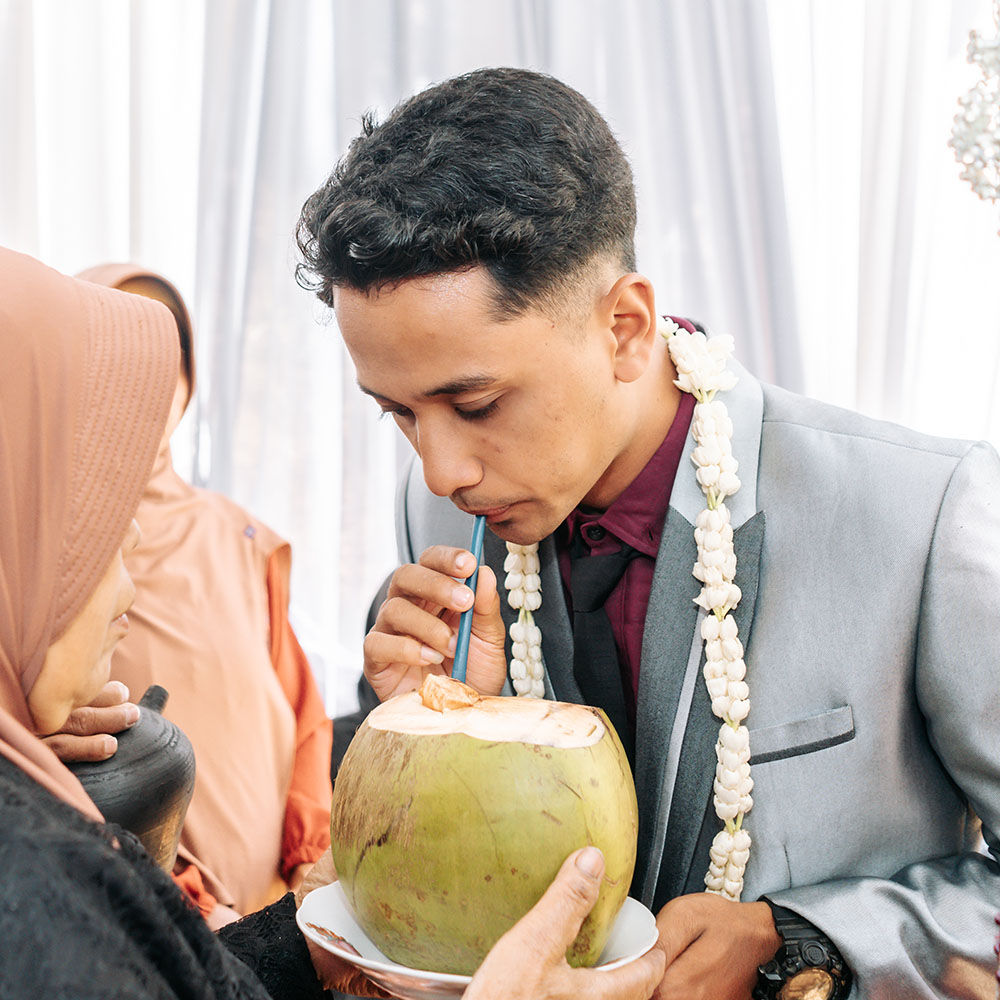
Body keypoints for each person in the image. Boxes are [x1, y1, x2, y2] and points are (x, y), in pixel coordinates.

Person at [295, 67, 1000, 999]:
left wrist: (809, 940)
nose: (441, 470)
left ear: (626, 327)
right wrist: (426, 739)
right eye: (398, 412)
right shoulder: (431, 520)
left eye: (475, 402)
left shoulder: (924, 513)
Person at [0, 246, 664, 1000]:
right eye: (94, 526)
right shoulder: (33, 890)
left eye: (475, 405)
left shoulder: (235, 545)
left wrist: (333, 878)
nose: (442, 475)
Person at [68, 263, 333, 923]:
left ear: (187, 381)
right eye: (119, 355)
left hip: (288, 916)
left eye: (168, 355)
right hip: (169, 921)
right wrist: (181, 893)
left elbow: (301, 718)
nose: (149, 379)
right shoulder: (56, 564)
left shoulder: (241, 536)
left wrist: (311, 876)